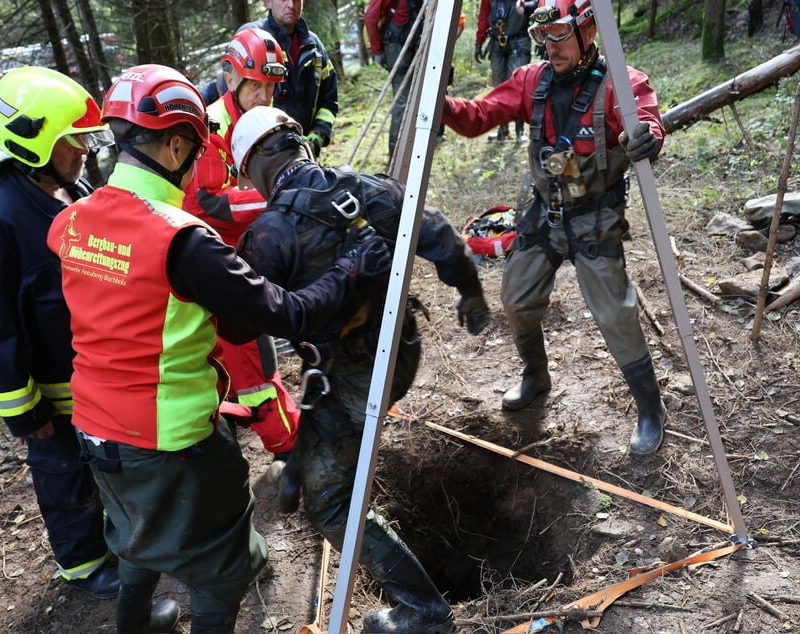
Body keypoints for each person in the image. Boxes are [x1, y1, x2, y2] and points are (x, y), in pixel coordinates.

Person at [46, 65, 390, 633]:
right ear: (177, 143)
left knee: (135, 541)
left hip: (95, 427)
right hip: (171, 438)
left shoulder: (72, 222)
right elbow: (288, 314)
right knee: (224, 571)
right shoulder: (181, 241)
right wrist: (352, 268)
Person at [230, 105, 491, 634]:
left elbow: (237, 325)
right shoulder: (367, 189)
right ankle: (299, 466)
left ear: (254, 168)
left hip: (350, 373)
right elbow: (439, 235)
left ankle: (425, 611)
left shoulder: (270, 234)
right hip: (401, 350)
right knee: (319, 402)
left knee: (328, 506)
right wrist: (469, 292)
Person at [441, 0, 667, 455]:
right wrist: (439, 104)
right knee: (517, 297)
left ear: (587, 31)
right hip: (543, 213)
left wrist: (646, 136)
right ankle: (535, 375)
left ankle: (650, 407)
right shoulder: (531, 79)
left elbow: (647, 121)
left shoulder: (621, 83)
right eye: (542, 38)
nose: (548, 47)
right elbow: (477, 117)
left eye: (559, 36)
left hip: (594, 217)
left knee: (616, 314)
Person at [0, 66, 120, 601]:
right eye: (73, 140)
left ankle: (119, 541)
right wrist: (24, 412)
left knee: (105, 467)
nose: (84, 149)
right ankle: (84, 564)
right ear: (35, 142)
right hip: (51, 388)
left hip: (95, 374)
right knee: (62, 470)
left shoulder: (73, 188)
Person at [183, 27, 301, 469]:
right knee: (253, 367)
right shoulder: (212, 126)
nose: (266, 95)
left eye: (272, 85)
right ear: (233, 78)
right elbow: (207, 202)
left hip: (253, 253)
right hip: (220, 260)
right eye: (257, 85)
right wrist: (278, 194)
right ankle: (291, 450)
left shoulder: (267, 119)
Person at [239, 0, 338, 158]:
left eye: (296, 0)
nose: (291, 5)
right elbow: (237, 100)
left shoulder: (314, 46)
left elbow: (329, 98)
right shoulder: (252, 38)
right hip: (264, 155)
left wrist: (318, 134)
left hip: (306, 153)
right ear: (268, 2)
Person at [364, 0, 423, 159]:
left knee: (420, 95)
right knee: (402, 101)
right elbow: (370, 17)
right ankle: (396, 154)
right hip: (397, 48)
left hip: (416, 44)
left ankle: (415, 148)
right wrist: (376, 50)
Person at [475, 0, 531, 142]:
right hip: (496, 42)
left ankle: (519, 131)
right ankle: (503, 129)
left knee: (518, 85)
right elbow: (483, 17)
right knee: (499, 87)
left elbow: (535, 8)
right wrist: (479, 42)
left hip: (519, 40)